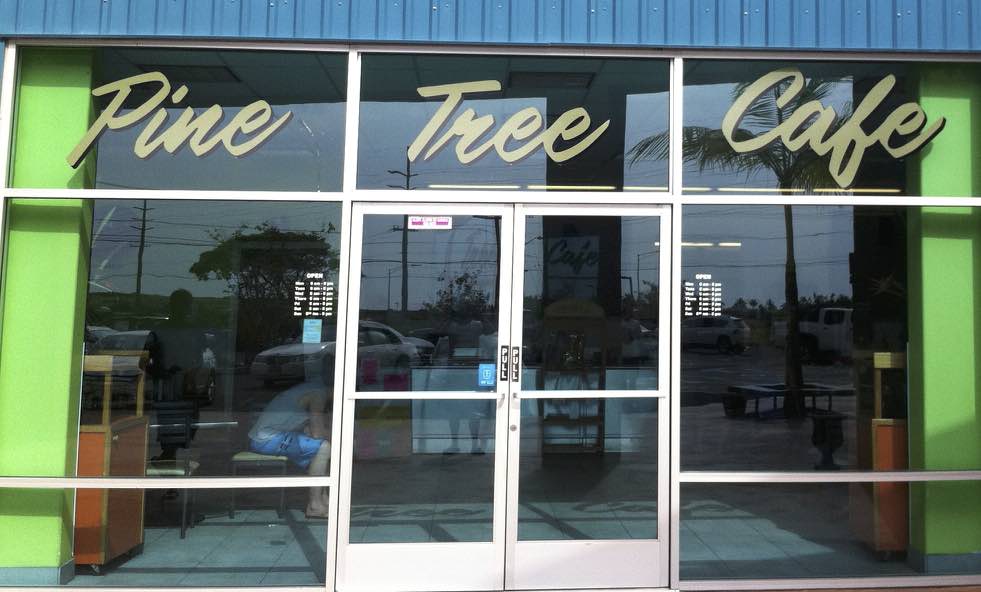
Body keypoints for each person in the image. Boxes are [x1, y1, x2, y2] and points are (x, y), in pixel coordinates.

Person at [249, 373, 331, 518]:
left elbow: (309, 430)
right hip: (266, 439)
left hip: (265, 436)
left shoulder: (310, 389)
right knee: (324, 448)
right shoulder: (318, 394)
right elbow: (317, 433)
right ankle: (315, 506)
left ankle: (324, 500)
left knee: (321, 447)